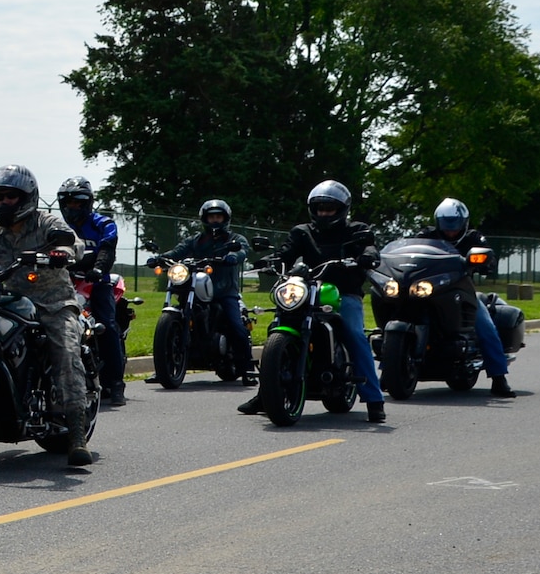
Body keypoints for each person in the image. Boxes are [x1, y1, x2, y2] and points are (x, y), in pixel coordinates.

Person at [0, 166, 93, 467]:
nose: (4, 203)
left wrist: (62, 251)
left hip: (52, 303)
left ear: (27, 198)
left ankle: (77, 435)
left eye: (11, 197)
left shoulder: (46, 223)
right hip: (5, 303)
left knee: (67, 353)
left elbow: (72, 242)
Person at [245, 180, 386, 421]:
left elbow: (369, 247)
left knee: (354, 333)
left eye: (329, 209)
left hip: (343, 293)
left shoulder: (356, 229)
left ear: (342, 209)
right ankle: (266, 393)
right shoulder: (302, 232)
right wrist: (270, 260)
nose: (323, 213)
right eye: (319, 208)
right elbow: (287, 253)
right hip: (307, 289)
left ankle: (374, 399)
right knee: (277, 325)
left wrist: (367, 256)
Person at [427, 197, 514, 398]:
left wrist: (486, 263)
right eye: (445, 224)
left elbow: (488, 261)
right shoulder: (426, 235)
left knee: (484, 324)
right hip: (430, 289)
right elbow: (410, 252)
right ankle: (390, 368)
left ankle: (499, 377)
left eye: (455, 225)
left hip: (463, 290)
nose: (450, 230)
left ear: (464, 223)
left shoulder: (474, 238)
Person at [160, 198, 253, 384]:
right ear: (205, 219)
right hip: (196, 287)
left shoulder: (234, 239)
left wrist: (234, 256)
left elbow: (244, 249)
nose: (215, 221)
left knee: (237, 327)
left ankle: (247, 369)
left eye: (218, 217)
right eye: (211, 217)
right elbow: (178, 251)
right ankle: (163, 366)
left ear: (225, 218)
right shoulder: (196, 240)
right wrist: (161, 258)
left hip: (225, 292)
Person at [57, 177, 126, 406]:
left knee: (106, 325)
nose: (72, 208)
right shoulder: (57, 227)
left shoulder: (103, 223)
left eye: (77, 203)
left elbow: (107, 248)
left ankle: (116, 384)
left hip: (97, 282)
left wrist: (98, 268)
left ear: (88, 203)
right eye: (67, 203)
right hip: (63, 281)